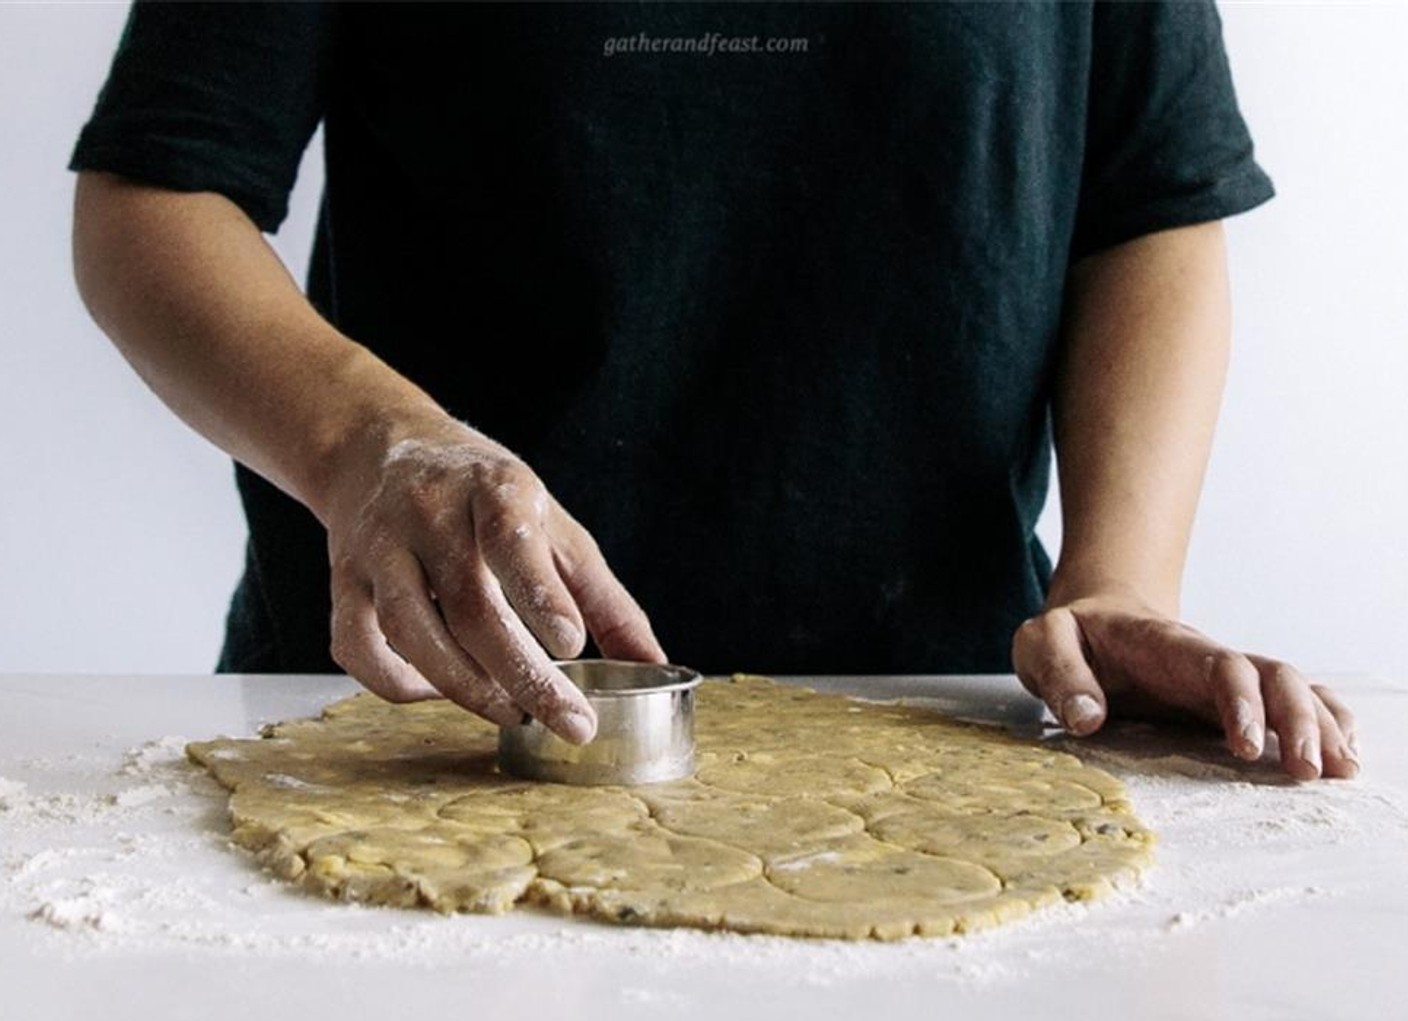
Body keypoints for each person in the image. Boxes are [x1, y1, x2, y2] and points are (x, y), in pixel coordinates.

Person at [70, 1, 1356, 780]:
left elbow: (1152, 205)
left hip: (942, 725)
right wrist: (372, 444)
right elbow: (159, 194)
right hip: (414, 715)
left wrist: (1118, 582)